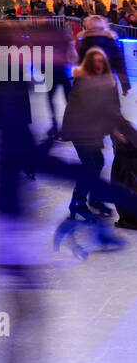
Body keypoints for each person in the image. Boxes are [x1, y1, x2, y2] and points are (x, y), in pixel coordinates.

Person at [61, 47, 137, 221]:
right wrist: (116, 130)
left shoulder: (106, 82)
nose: (98, 65)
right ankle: (78, 203)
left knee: (98, 161)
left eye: (101, 61)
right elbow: (99, 110)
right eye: (94, 62)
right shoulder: (84, 82)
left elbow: (112, 111)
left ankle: (93, 198)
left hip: (92, 131)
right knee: (90, 165)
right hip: (79, 129)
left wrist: (126, 133)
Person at [76, 15, 130, 95]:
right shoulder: (110, 40)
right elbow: (120, 64)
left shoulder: (85, 42)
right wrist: (125, 85)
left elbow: (81, 64)